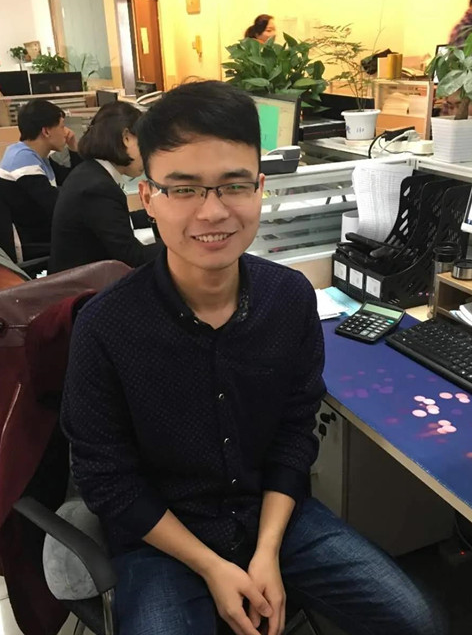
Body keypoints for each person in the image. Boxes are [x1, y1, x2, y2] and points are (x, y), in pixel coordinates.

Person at [61, 80, 446, 635]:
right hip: (162, 540)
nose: (213, 211)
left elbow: (294, 433)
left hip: (273, 519)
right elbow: (107, 479)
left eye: (234, 185)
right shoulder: (106, 326)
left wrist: (265, 552)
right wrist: (213, 567)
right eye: (183, 189)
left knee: (419, 620)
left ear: (260, 188)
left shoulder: (288, 299)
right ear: (147, 198)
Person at [48, 101, 162, 273]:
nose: (147, 155)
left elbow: (116, 220)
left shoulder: (90, 172)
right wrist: (180, 245)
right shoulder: (98, 188)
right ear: (126, 138)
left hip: (82, 277)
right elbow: (133, 257)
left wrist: (157, 214)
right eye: (144, 144)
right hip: (83, 286)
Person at [0, 100, 80, 256]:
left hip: (43, 236)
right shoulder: (22, 161)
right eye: (62, 126)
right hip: (31, 245)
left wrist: (74, 148)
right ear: (46, 131)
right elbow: (58, 207)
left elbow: (74, 180)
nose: (66, 132)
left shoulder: (35, 157)